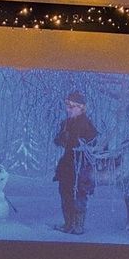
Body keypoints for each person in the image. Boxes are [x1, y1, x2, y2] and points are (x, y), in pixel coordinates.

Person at [53, 92, 98, 235]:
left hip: (81, 166)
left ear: (81, 108)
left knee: (79, 194)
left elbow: (95, 144)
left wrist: (85, 145)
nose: (68, 109)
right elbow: (58, 141)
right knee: (65, 193)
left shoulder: (88, 125)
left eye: (72, 106)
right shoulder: (65, 123)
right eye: (67, 105)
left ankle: (78, 226)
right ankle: (68, 224)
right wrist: (61, 138)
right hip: (67, 164)